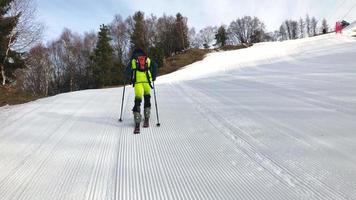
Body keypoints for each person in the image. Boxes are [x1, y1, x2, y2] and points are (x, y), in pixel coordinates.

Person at [125, 48, 157, 134]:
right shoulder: (148, 60)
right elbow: (155, 66)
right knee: (147, 97)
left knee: (138, 100)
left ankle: (137, 122)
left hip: (137, 82)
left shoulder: (133, 61)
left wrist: (127, 78)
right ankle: (146, 119)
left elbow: (127, 71)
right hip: (147, 81)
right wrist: (153, 77)